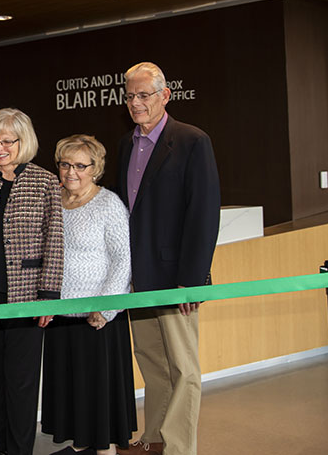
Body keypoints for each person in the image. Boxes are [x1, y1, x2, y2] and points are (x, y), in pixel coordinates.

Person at [114, 62, 220, 455]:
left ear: (165, 95)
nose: (136, 103)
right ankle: (154, 437)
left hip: (177, 278)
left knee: (184, 368)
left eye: (144, 95)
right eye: (130, 96)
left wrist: (191, 280)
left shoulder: (193, 141)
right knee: (151, 361)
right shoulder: (127, 144)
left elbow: (204, 213)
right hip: (139, 278)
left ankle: (179, 448)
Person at [0, 108, 63, 455]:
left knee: (21, 383)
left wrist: (49, 296)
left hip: (28, 297)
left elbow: (55, 240)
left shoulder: (46, 181)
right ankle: (3, 448)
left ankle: (20, 450)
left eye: (7, 141)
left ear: (24, 142)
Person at [41, 134, 136, 455]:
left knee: (99, 402)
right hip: (60, 317)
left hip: (98, 320)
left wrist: (106, 308)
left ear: (96, 169)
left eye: (81, 165)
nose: (71, 172)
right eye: (65, 164)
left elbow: (124, 259)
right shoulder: (52, 199)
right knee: (72, 398)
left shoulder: (109, 204)